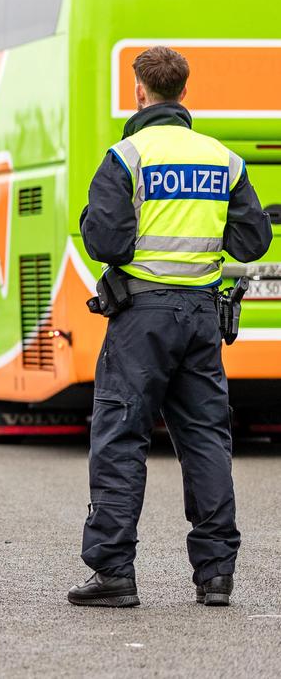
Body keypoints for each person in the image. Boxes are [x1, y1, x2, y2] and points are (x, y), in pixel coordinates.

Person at [68, 47, 272, 608]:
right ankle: (215, 575)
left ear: (140, 90)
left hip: (141, 320)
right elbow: (253, 241)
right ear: (184, 91)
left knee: (120, 439)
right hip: (202, 319)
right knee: (206, 441)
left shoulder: (125, 157)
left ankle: (113, 573)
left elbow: (106, 242)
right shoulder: (222, 160)